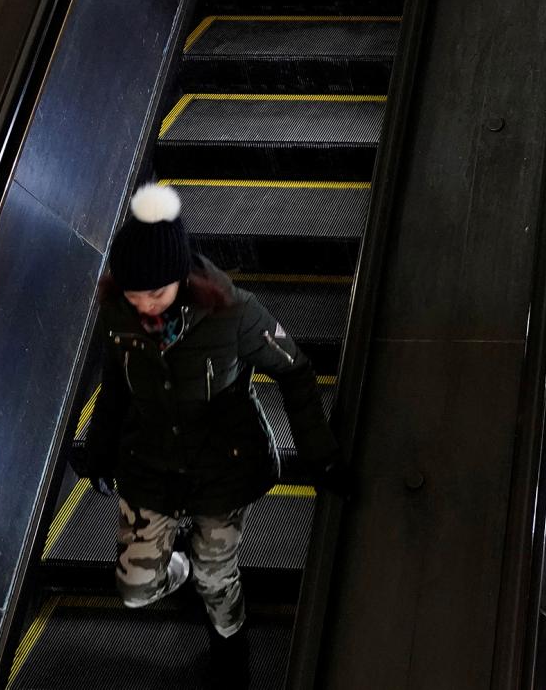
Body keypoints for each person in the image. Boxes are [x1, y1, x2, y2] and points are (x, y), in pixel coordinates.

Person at [74, 184, 344, 686]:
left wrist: (319, 455)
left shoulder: (234, 314)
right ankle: (177, 566)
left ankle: (231, 644)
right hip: (150, 467)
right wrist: (98, 452)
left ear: (180, 277)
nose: (144, 305)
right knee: (135, 588)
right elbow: (115, 386)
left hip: (224, 468)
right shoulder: (117, 315)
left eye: (155, 292)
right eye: (133, 293)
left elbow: (297, 369)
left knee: (215, 576)